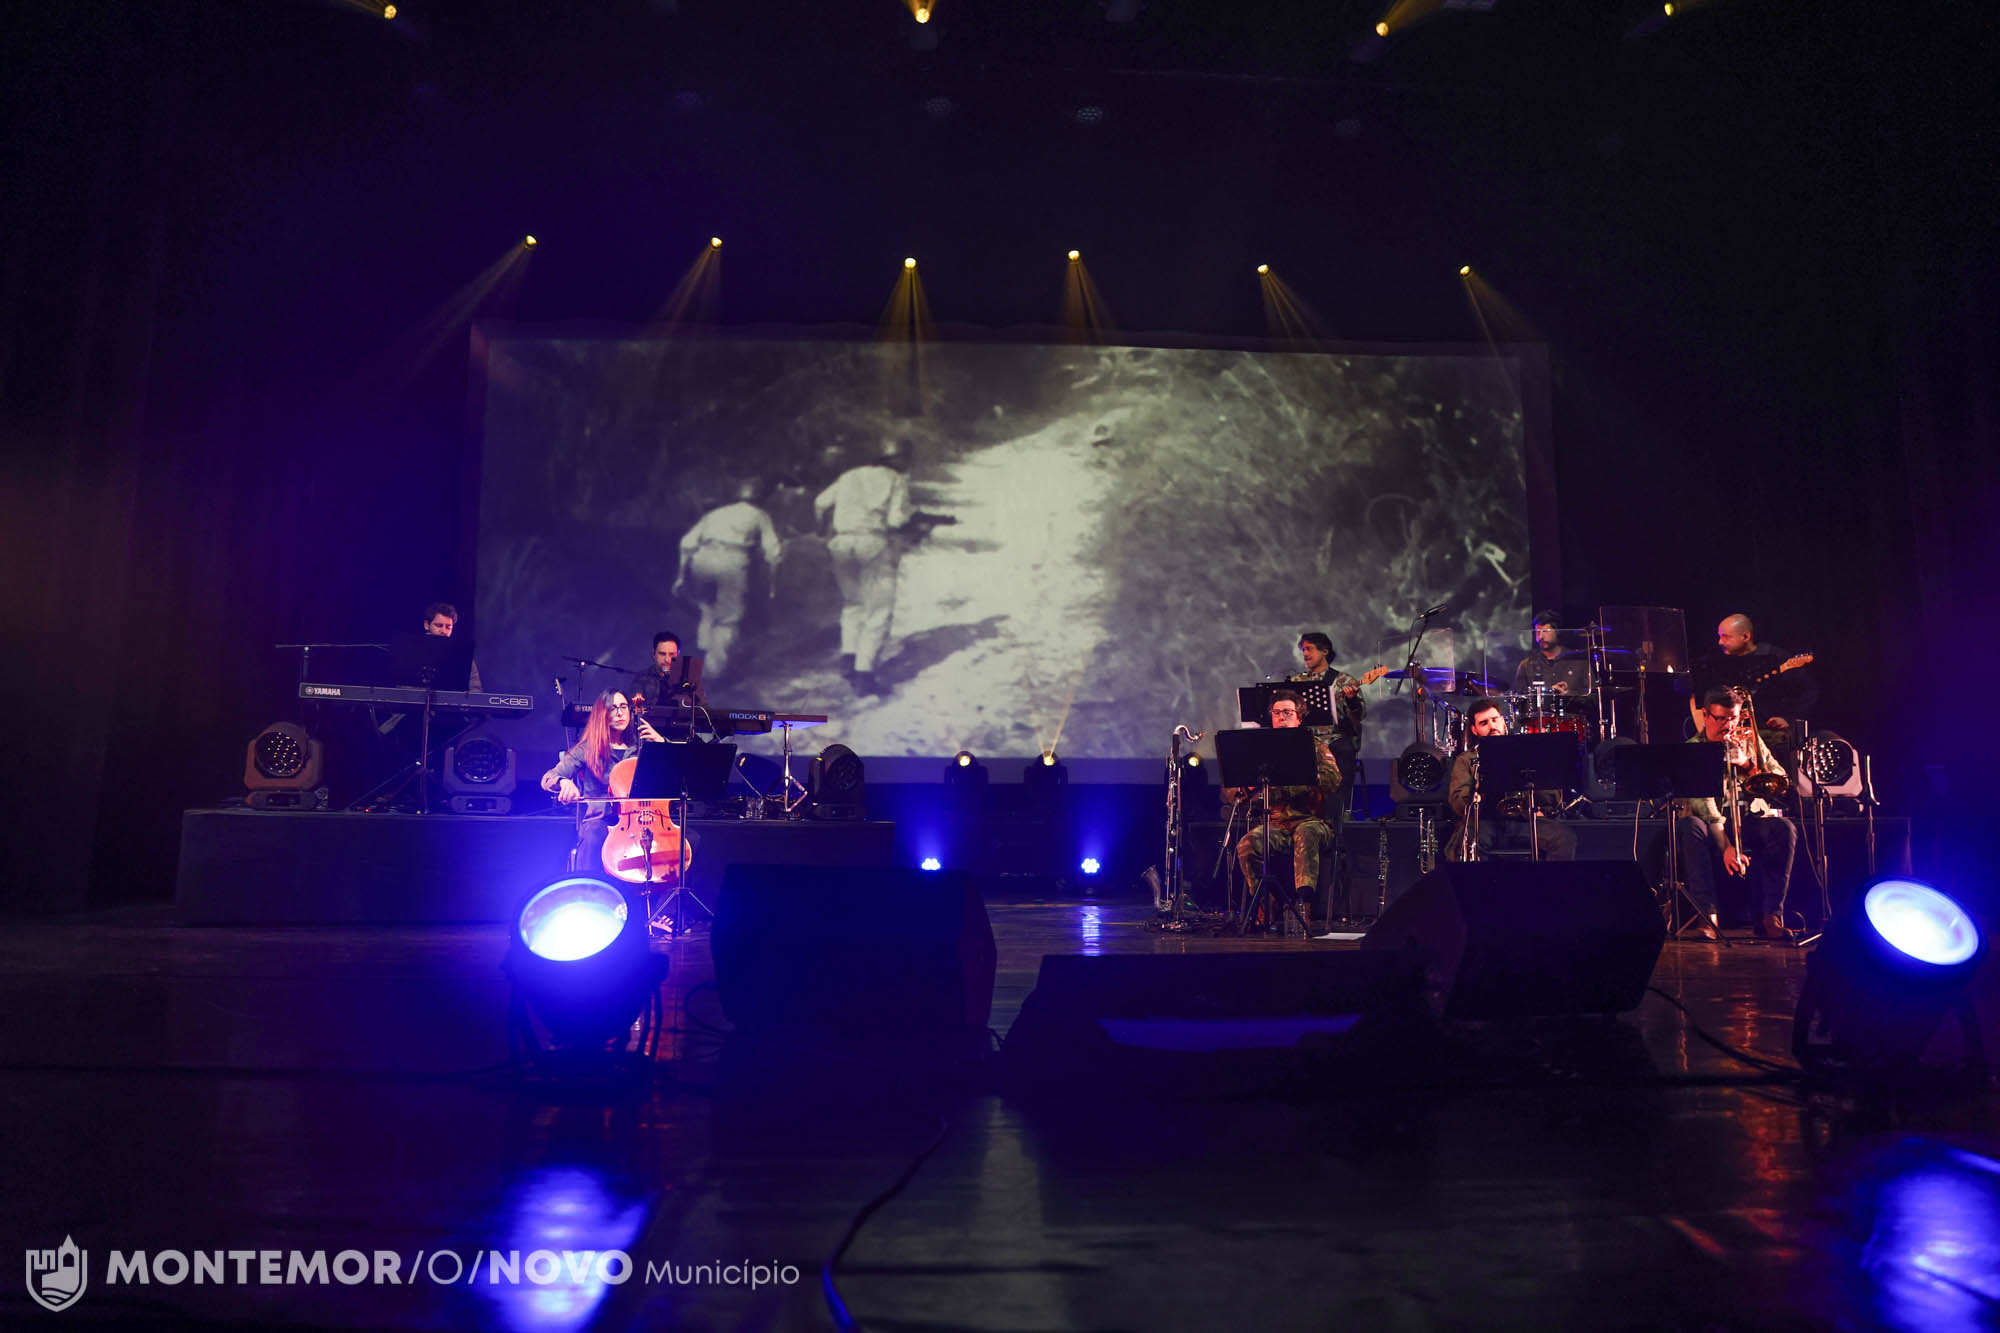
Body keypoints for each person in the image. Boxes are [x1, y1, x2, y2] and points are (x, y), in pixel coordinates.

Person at [1671, 687, 1798, 940]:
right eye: (1721, 719)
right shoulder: (1692, 749)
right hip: (1711, 825)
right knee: (1691, 825)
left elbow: (1781, 778)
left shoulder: (1750, 740)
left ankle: (1771, 917)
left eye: (1734, 718)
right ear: (1705, 715)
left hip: (1746, 818)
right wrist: (1727, 846)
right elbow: (1705, 807)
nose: (1728, 726)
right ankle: (1708, 917)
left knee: (1784, 828)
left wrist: (1747, 764)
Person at [1221, 690, 1342, 930]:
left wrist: (1302, 777)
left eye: (1287, 712)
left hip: (1311, 821)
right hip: (1276, 825)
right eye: (1276, 713)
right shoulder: (1261, 749)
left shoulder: (1314, 746)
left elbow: (1333, 780)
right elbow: (1233, 789)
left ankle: (1303, 907)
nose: (1281, 717)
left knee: (1306, 834)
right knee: (1247, 845)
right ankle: (1266, 906)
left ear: (1299, 717)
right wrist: (1244, 788)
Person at [814, 438, 914, 694]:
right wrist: (913, 521)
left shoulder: (850, 475)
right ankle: (864, 674)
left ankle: (848, 657)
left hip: (841, 543)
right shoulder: (896, 479)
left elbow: (820, 502)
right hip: (872, 543)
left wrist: (823, 531)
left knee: (853, 602)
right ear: (898, 458)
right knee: (879, 609)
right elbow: (896, 520)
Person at [539, 690, 665, 873]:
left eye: (623, 707)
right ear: (602, 715)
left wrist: (662, 744)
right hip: (602, 820)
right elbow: (549, 777)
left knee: (689, 840)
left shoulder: (642, 746)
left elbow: (673, 773)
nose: (620, 713)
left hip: (643, 818)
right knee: (594, 837)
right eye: (613, 709)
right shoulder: (587, 748)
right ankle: (590, 887)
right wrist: (563, 782)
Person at [672, 480, 782, 681]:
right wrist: (772, 584)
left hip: (702, 558)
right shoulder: (760, 515)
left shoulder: (716, 514)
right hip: (732, 560)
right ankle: (711, 672)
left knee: (707, 607)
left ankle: (702, 650)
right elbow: (772, 551)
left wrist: (680, 576)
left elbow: (687, 543)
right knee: (728, 618)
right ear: (761, 498)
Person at [1447, 697, 1577, 861]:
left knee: (1564, 838)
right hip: (1485, 822)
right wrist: (1475, 796)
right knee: (1466, 843)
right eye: (1484, 723)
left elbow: (1553, 797)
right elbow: (1457, 800)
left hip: (1524, 821)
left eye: (1495, 719)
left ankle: (1548, 879)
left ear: (1503, 721)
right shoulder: (1466, 760)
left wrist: (1537, 793)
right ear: (1474, 730)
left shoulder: (1528, 751)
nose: (1492, 726)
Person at [1693, 613, 1817, 729]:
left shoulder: (1774, 657)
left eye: (1726, 637)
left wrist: (1788, 718)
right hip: (1726, 729)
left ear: (1746, 637)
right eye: (1720, 637)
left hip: (1766, 728)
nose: (1720, 642)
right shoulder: (1715, 660)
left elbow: (1808, 691)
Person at [1512, 610, 1588, 699]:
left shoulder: (1578, 661)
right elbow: (1517, 697)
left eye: (1545, 631)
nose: (1540, 637)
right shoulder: (1527, 665)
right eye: (1537, 631)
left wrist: (1570, 694)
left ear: (1557, 632)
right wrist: (1547, 692)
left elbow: (1593, 698)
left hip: (1573, 708)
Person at [627, 631, 705, 717]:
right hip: (651, 723)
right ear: (654, 654)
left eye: (672, 654)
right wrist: (637, 703)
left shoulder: (688, 679)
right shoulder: (642, 678)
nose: (667, 660)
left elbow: (703, 709)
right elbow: (634, 705)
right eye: (662, 654)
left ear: (678, 654)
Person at [422, 601, 481, 691]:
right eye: (439, 625)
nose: (444, 631)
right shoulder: (413, 649)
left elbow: (475, 689)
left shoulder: (461, 654)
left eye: (448, 627)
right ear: (427, 625)